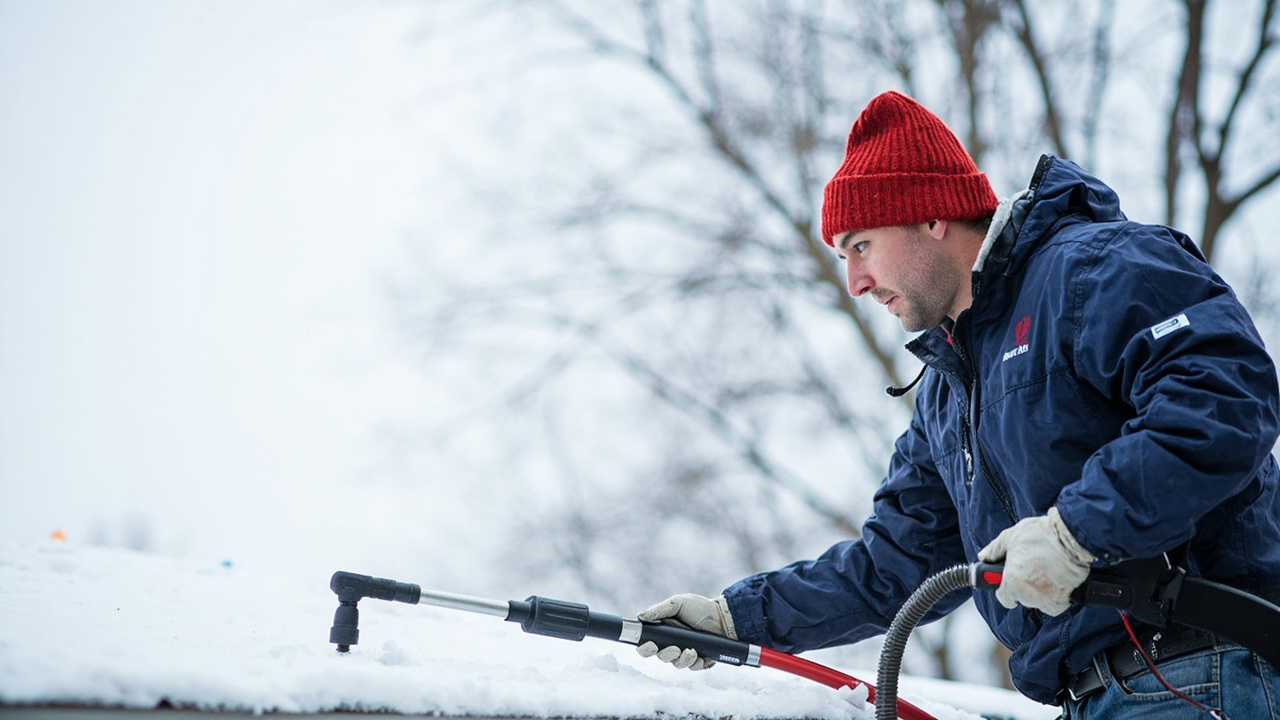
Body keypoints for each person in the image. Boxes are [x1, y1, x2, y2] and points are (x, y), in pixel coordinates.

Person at [635, 90, 1280, 718]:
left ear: (932, 216)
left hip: (1202, 669)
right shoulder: (949, 393)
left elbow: (1222, 400)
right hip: (1091, 696)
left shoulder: (1092, 271)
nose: (856, 283)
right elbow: (888, 567)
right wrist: (734, 618)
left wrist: (1077, 532)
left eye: (861, 245)